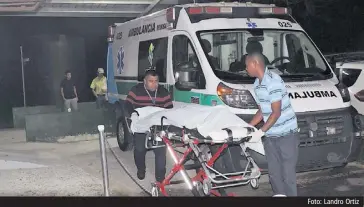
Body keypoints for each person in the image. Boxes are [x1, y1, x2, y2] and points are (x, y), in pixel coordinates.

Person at [246, 52, 299, 197]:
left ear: (255, 64)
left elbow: (276, 112)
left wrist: (260, 131)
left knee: (287, 175)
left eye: (247, 65)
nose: (246, 69)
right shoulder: (257, 84)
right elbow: (263, 110)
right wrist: (249, 127)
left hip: (286, 134)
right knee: (274, 174)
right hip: (271, 135)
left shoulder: (273, 81)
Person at [124, 69, 173, 183]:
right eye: (151, 81)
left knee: (161, 151)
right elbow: (127, 104)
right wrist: (133, 114)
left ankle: (160, 177)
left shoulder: (163, 91)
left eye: (156, 81)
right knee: (140, 149)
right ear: (144, 81)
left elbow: (170, 108)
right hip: (141, 123)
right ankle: (141, 169)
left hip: (158, 125)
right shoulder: (136, 90)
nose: (154, 84)